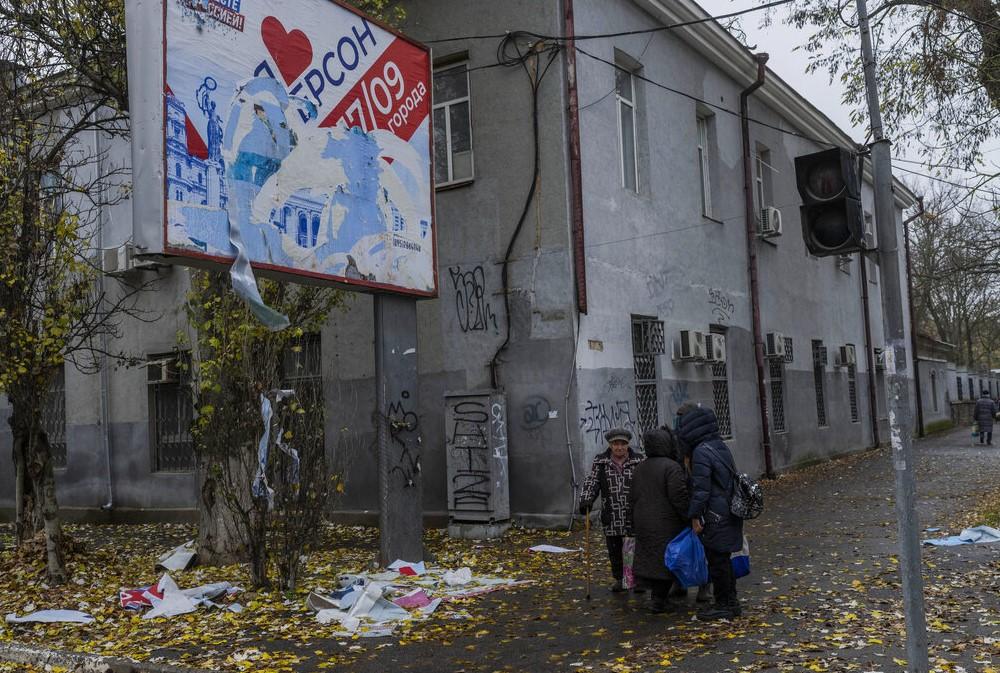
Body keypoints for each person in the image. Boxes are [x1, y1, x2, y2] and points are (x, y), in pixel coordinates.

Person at [677, 405, 744, 620]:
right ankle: (730, 602)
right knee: (724, 559)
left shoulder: (701, 452)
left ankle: (724, 603)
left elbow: (701, 490)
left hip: (714, 515)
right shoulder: (718, 446)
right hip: (728, 511)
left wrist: (694, 515)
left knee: (717, 561)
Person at [629, 428, 689, 612]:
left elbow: (632, 496)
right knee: (665, 560)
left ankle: (658, 598)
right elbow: (678, 496)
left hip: (643, 520)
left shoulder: (640, 467)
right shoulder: (671, 467)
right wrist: (688, 516)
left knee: (651, 558)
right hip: (666, 522)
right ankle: (659, 601)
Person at [579, 428, 644, 592]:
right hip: (611, 512)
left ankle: (635, 579)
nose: (619, 447)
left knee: (633, 548)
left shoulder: (638, 461)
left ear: (628, 445)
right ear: (610, 445)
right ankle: (619, 578)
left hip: (633, 513)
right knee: (614, 549)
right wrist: (587, 500)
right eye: (616, 444)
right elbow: (592, 482)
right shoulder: (601, 462)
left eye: (623, 444)